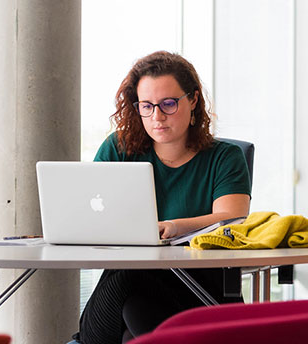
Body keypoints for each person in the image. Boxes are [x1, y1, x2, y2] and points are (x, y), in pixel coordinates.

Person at [74, 51, 251, 344]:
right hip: (123, 293)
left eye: (168, 104)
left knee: (135, 289)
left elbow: (232, 217)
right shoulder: (119, 150)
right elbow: (91, 216)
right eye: (146, 106)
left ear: (193, 100)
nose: (157, 117)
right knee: (134, 291)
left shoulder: (224, 158)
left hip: (201, 292)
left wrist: (175, 226)